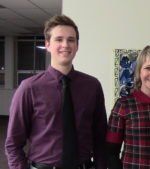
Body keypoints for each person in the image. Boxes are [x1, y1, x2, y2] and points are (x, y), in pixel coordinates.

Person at [5, 15, 107, 169]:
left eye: (71, 40)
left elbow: (100, 137)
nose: (65, 45)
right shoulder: (29, 88)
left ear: (77, 45)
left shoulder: (92, 86)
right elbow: (13, 144)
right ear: (47, 45)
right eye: (59, 39)